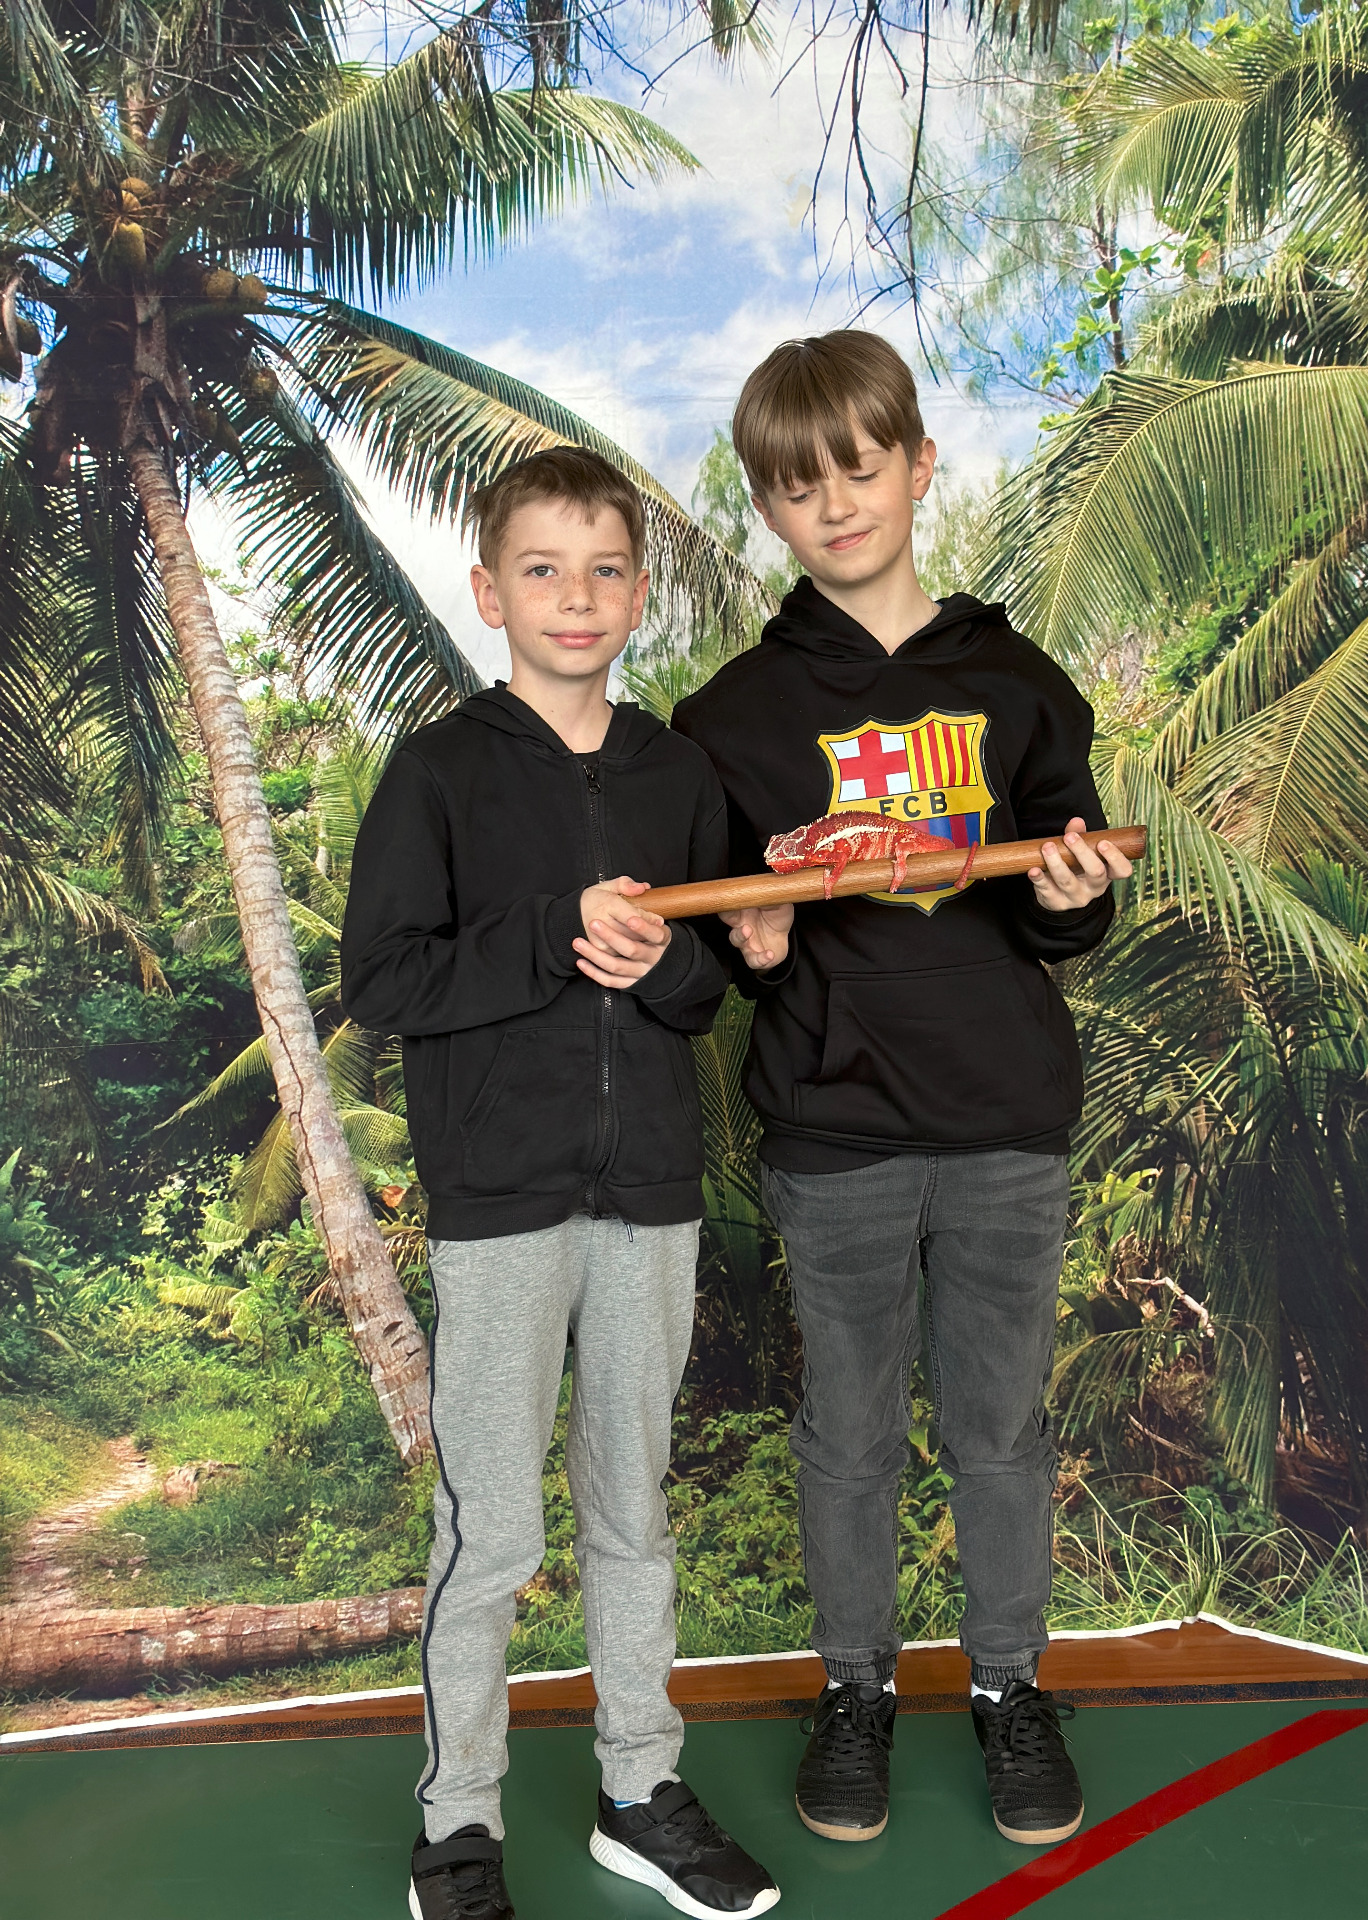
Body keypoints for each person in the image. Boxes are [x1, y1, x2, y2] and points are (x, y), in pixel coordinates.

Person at [671, 331, 1131, 1852]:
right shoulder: (730, 717)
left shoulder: (1016, 681)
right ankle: (855, 1690)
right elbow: (728, 948)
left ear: (918, 466)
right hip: (834, 1130)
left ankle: (1009, 1690)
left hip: (1006, 1120)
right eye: (799, 487)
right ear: (767, 509)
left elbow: (1069, 906)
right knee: (849, 1438)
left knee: (999, 1432)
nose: (836, 504)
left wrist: (1068, 895)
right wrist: (750, 942)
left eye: (861, 469)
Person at [341, 447, 780, 1920]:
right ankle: (458, 1823)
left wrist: (666, 965)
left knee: (631, 1513)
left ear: (639, 595)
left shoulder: (678, 773)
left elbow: (707, 988)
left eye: (604, 571)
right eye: (543, 569)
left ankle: (640, 1793)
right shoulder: (439, 771)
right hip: (503, 1207)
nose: (575, 596)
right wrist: (552, 934)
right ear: (490, 592)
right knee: (495, 1534)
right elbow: (382, 979)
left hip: (649, 1197)